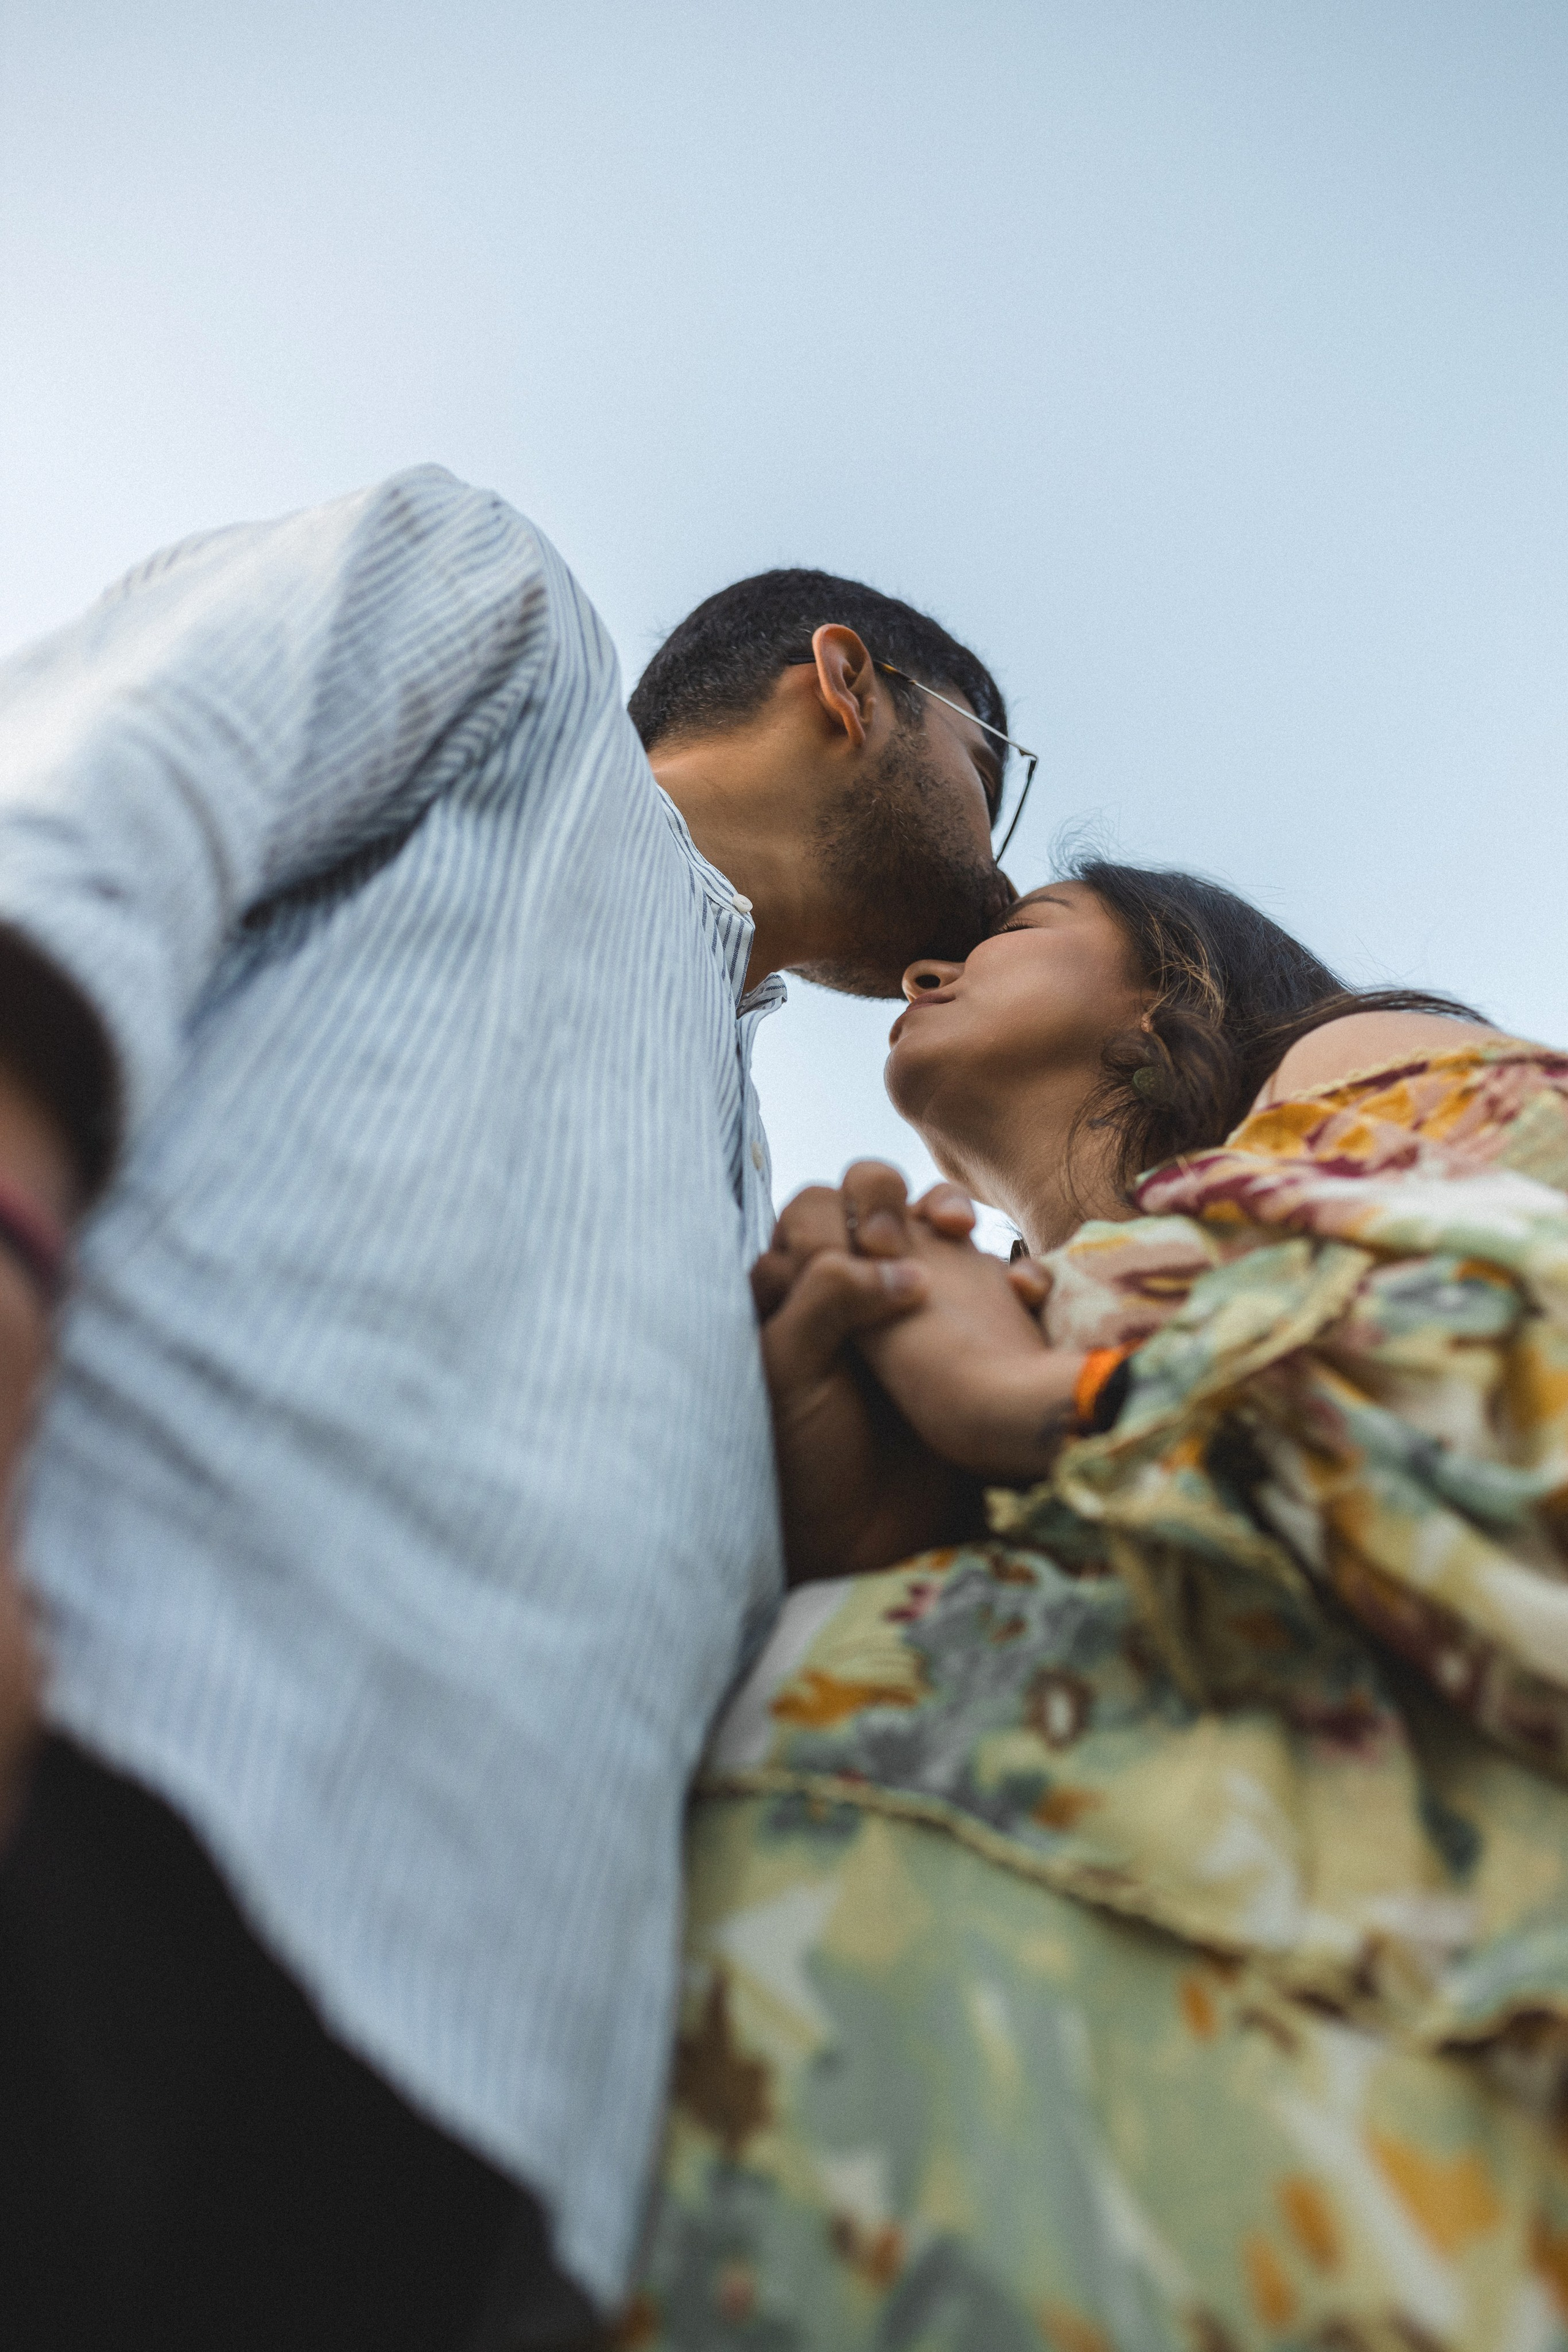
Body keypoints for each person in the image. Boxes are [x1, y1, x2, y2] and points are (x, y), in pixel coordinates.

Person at [0, 466, 1019, 2350]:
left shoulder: (749, 1148)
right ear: (845, 681)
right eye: (998, 761)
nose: (1006, 849)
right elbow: (72, 841)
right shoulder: (512, 624)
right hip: (112, 1778)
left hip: (469, 2133)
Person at [630, 861, 1568, 2352]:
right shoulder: (960, 1336)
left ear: (1170, 989)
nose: (926, 976)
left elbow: (1527, 1371)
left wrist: (1056, 1390)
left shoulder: (1349, 1070)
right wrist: (854, 1552)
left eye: (1014, 930)